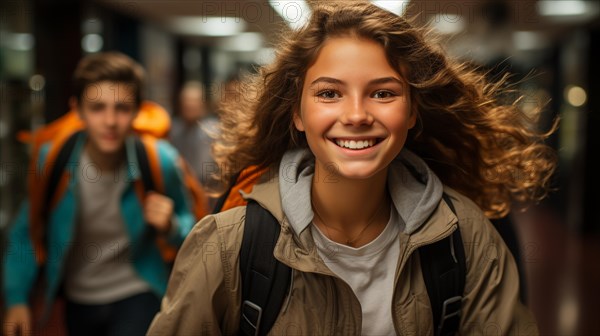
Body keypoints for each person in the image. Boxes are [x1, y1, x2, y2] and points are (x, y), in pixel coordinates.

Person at [148, 2, 556, 335]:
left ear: (412, 111)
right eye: (329, 93)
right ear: (298, 113)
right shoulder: (227, 245)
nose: (357, 115)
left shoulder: (468, 238)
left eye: (382, 92)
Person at [2, 52, 198, 336]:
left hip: (139, 292)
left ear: (137, 111)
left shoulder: (159, 160)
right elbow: (27, 230)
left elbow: (193, 229)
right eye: (97, 107)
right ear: (77, 110)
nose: (110, 121)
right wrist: (16, 298)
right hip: (77, 299)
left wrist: (171, 225)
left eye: (121, 107)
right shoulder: (53, 159)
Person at [170, 81, 219, 193]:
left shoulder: (215, 130)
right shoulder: (173, 130)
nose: (190, 105)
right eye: (186, 101)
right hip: (182, 188)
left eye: (194, 101)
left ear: (203, 104)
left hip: (209, 190)